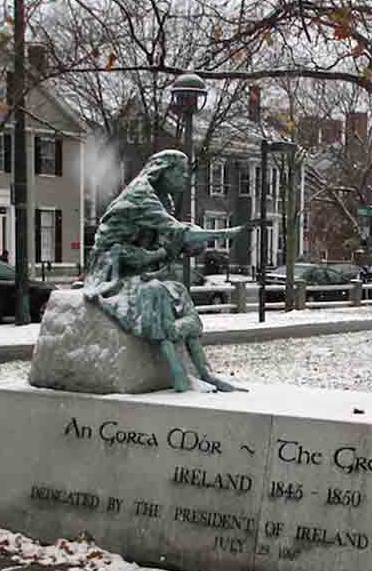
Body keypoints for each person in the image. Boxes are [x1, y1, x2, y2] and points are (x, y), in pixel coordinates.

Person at [83, 149, 256, 393]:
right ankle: (178, 374)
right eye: (180, 172)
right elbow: (177, 231)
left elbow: (167, 243)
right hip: (111, 269)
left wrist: (179, 248)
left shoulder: (164, 199)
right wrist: (224, 234)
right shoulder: (141, 194)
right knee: (155, 293)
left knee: (179, 291)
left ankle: (205, 373)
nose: (185, 178)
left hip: (137, 267)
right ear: (162, 171)